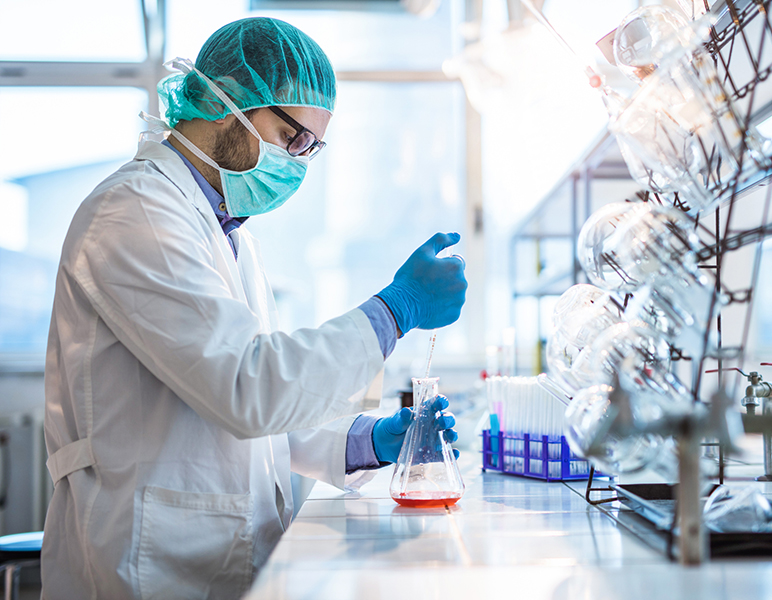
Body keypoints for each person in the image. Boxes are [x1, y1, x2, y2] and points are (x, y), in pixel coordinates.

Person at [41, 17, 466, 600]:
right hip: (147, 565)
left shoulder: (224, 232)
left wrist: (364, 441)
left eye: (313, 149)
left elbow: (257, 414)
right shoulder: (136, 211)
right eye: (294, 139)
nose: (299, 162)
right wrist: (397, 309)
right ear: (227, 102)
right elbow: (249, 388)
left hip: (216, 557)